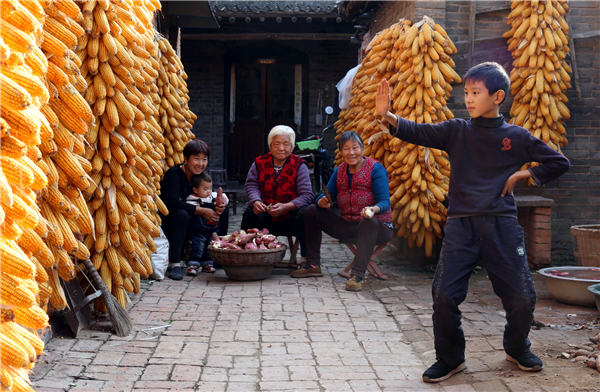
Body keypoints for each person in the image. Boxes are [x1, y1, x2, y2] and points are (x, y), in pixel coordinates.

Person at [375, 62, 570, 383]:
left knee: (521, 296)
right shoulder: (457, 130)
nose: (468, 99)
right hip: (460, 227)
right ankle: (450, 359)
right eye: (466, 93)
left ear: (498, 96)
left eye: (475, 93)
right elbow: (418, 131)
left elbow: (558, 162)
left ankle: (517, 347)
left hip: (501, 226)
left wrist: (527, 173)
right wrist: (388, 116)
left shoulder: (516, 136)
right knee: (444, 295)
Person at [291, 131, 393, 292]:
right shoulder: (339, 171)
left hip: (377, 227)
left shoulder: (376, 169)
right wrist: (322, 201)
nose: (351, 152)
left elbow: (385, 202)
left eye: (355, 148)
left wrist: (373, 209)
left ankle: (357, 275)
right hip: (348, 225)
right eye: (346, 149)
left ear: (363, 149)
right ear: (341, 152)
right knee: (311, 210)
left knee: (369, 221)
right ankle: (312, 264)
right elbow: (325, 194)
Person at [159, 139, 229, 280]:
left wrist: (218, 206)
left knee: (224, 211)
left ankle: (217, 253)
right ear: (186, 159)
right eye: (196, 159)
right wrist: (201, 211)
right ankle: (175, 263)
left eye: (204, 159)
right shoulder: (174, 174)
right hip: (172, 219)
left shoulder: (201, 176)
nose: (200, 164)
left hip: (196, 219)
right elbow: (171, 202)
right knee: (182, 214)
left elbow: (210, 195)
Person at [242, 125, 314, 261]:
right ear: (270, 145)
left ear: (292, 146)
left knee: (307, 213)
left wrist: (287, 206)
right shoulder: (259, 163)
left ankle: (307, 260)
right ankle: (248, 254)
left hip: (290, 217)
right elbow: (251, 184)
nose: (281, 148)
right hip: (265, 215)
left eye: (286, 144)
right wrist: (256, 201)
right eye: (277, 144)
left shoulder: (299, 165)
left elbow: (307, 195)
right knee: (250, 213)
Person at [185, 172, 228, 275]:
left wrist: (221, 199)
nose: (208, 192)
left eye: (210, 188)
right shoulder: (193, 199)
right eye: (205, 189)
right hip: (198, 230)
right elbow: (190, 208)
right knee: (197, 247)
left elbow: (225, 199)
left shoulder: (212, 197)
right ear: (195, 189)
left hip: (212, 229)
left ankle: (207, 264)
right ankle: (193, 265)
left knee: (209, 248)